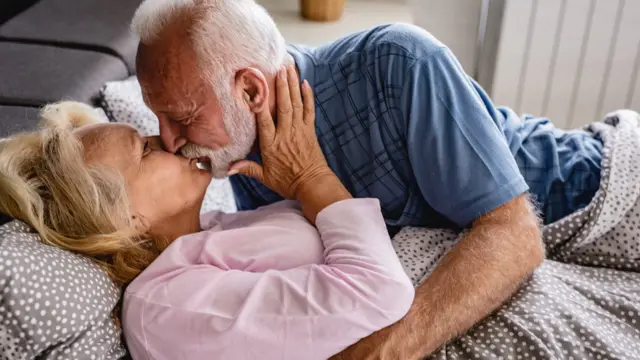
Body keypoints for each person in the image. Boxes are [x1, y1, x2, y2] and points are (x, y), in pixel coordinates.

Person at [129, 0, 566, 358]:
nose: (169, 141)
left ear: (250, 92)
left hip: (577, 181)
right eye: (158, 119)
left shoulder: (399, 61)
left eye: (181, 118)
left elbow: (515, 233)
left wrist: (388, 350)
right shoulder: (239, 149)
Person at [0, 69, 414, 359]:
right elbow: (379, 290)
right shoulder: (166, 308)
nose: (166, 138)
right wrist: (312, 177)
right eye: (144, 150)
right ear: (119, 219)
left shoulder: (213, 231)